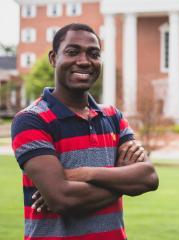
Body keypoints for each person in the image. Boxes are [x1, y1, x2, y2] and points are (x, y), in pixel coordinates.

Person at [11, 23, 159, 240]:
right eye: (72, 52)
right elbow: (62, 199)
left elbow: (148, 178)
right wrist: (122, 180)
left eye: (94, 54)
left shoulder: (112, 116)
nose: (84, 61)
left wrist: (85, 174)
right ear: (53, 58)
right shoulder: (31, 120)